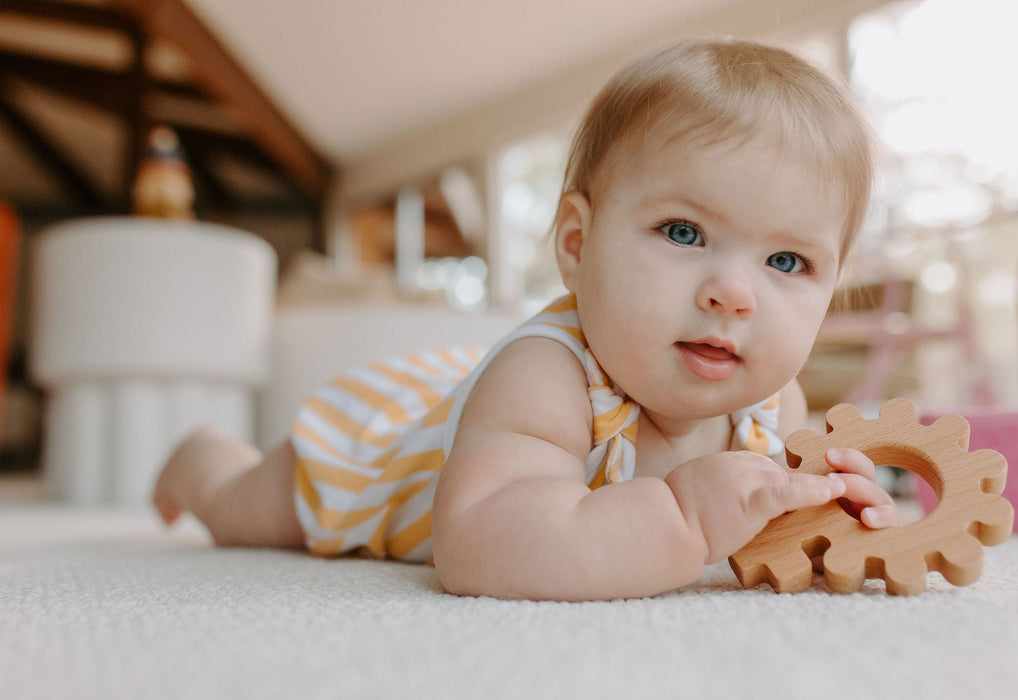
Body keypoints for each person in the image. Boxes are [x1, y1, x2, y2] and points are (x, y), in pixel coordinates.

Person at [153, 38, 900, 601]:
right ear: (576, 246)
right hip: (378, 454)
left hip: (465, 405)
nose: (735, 294)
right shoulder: (547, 378)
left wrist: (825, 519)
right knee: (244, 514)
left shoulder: (778, 407)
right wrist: (682, 520)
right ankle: (207, 463)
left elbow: (763, 527)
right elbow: (479, 547)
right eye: (683, 232)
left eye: (787, 263)